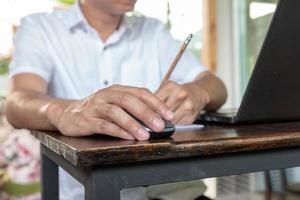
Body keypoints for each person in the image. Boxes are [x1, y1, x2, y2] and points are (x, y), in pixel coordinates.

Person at [5, 0, 227, 199]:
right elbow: (17, 103)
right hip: (82, 192)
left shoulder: (153, 32)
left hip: (167, 191)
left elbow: (217, 87)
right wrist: (62, 112)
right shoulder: (41, 28)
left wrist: (199, 92)